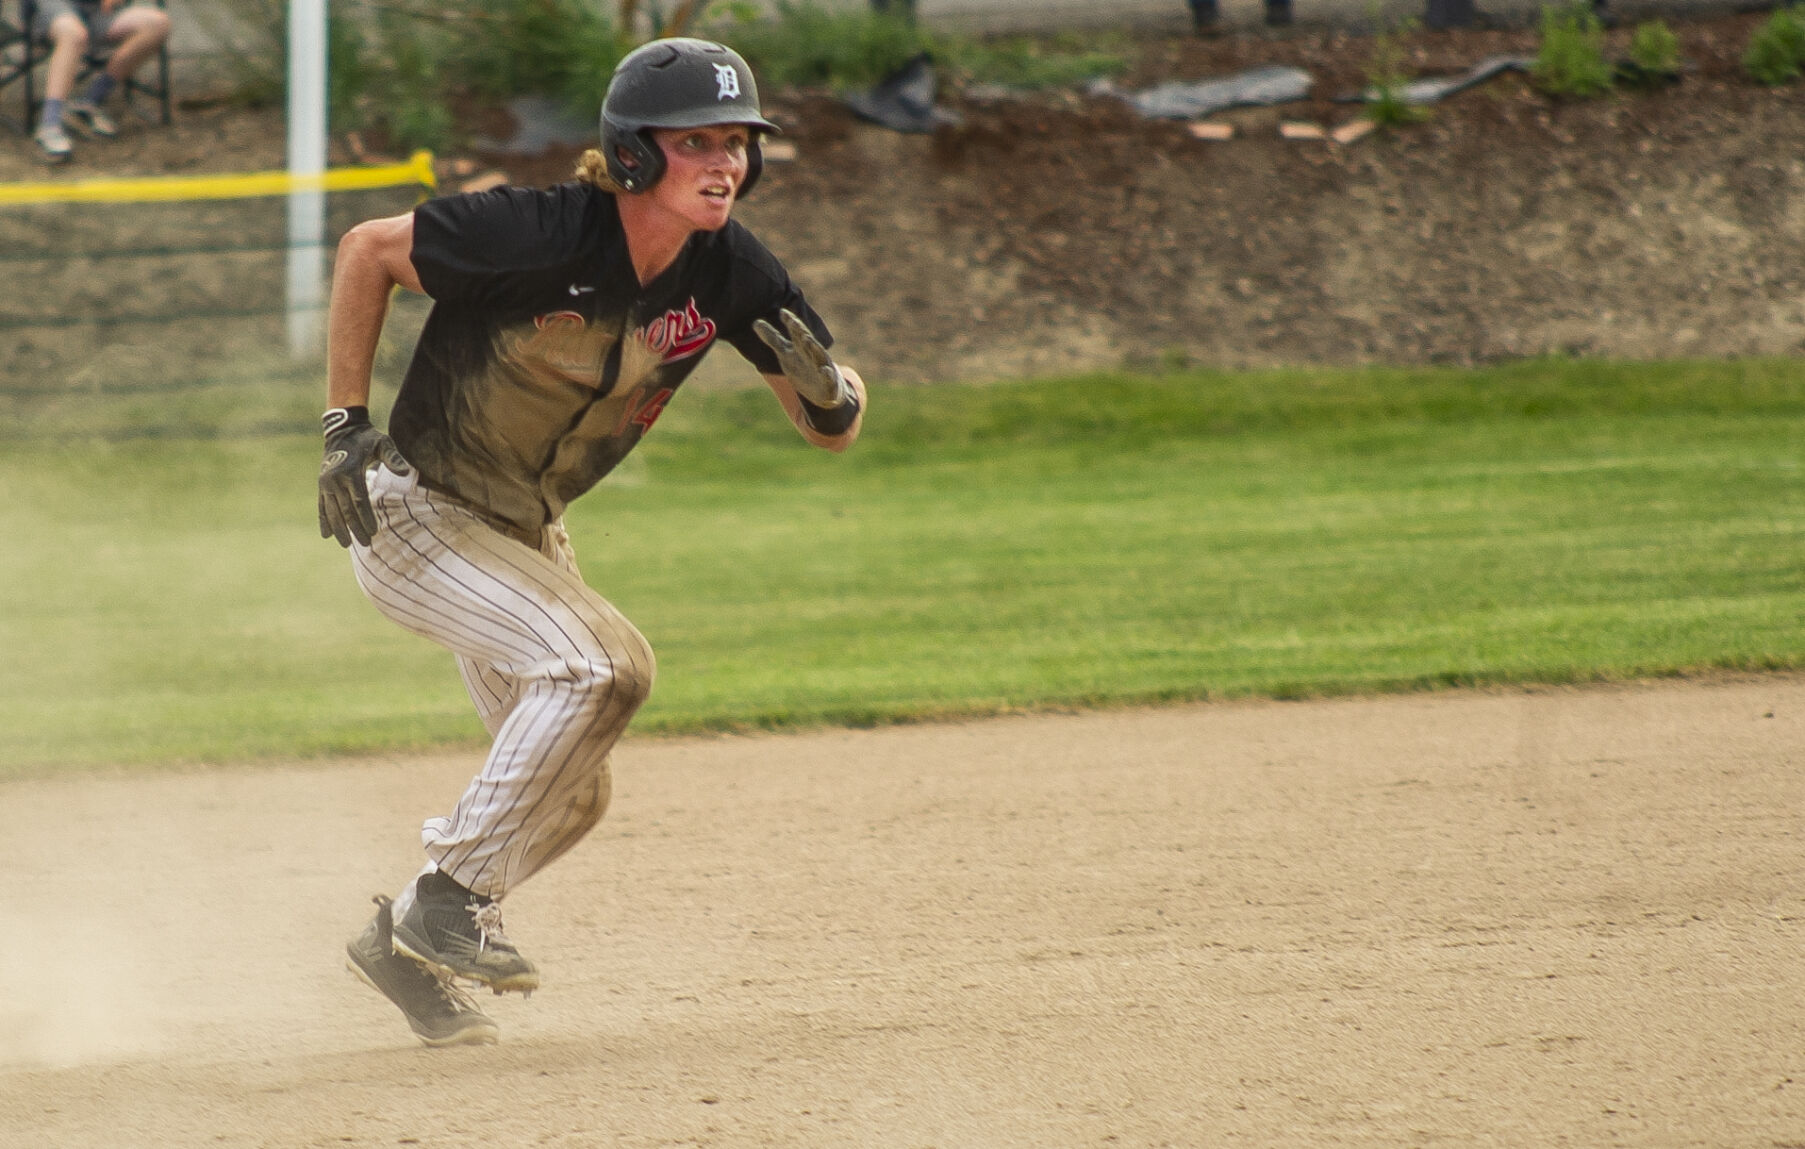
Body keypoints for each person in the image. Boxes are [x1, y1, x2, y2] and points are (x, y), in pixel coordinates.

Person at [323, 37, 868, 1047]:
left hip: (523, 533)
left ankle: (401, 940)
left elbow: (828, 425)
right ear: (631, 153)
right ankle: (448, 900)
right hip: (415, 515)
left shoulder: (733, 271)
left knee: (570, 794)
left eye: (737, 142)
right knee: (603, 666)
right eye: (695, 142)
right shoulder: (537, 232)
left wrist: (832, 394)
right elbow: (368, 250)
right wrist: (342, 424)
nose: (724, 163)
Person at [30, 0, 171, 164]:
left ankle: (88, 103)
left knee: (158, 24)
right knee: (73, 34)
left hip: (97, 11)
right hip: (52, 8)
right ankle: (50, 124)